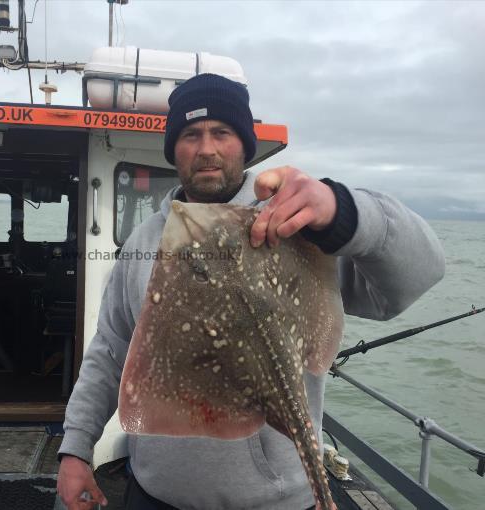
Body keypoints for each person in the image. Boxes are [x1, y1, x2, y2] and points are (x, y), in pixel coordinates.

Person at [57, 73, 445, 510]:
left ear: (244, 143)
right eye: (190, 134)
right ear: (174, 149)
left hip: (276, 499)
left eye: (222, 132)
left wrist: (343, 210)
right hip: (157, 492)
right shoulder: (143, 242)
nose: (207, 148)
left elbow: (423, 272)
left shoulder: (295, 226)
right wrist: (76, 446)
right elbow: (111, 349)